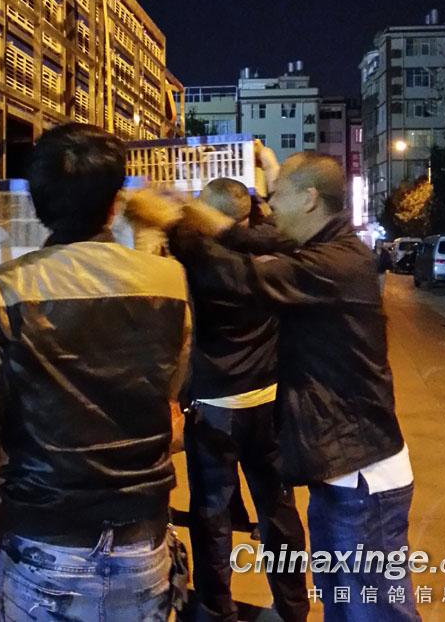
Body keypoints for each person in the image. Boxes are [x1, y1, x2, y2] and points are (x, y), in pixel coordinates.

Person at [127, 152, 418, 622]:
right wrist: (189, 210)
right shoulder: (326, 245)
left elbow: (242, 275)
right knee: (342, 604)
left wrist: (176, 226)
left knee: (374, 610)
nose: (270, 204)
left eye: (277, 194)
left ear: (308, 199)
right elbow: (248, 236)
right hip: (341, 473)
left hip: (363, 482)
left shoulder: (333, 263)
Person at [0, 123, 193, 622]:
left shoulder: (4, 290)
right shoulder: (170, 282)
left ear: (37, 202)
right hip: (143, 539)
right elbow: (171, 389)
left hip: (46, 545)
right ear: (114, 202)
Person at [174, 178, 309, 622]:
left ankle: (218, 609)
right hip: (268, 401)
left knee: (212, 513)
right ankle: (293, 606)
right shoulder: (273, 254)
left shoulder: (199, 259)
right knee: (278, 507)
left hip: (215, 407)